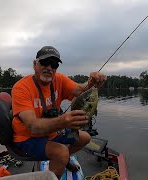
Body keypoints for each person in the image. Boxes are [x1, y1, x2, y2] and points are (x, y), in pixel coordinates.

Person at [11, 46, 106, 179]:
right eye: (44, 62)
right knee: (61, 152)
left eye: (54, 64)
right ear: (34, 64)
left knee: (85, 138)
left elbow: (80, 90)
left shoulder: (59, 80)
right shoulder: (21, 88)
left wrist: (92, 84)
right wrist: (64, 121)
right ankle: (56, 167)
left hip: (52, 131)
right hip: (27, 138)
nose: (49, 67)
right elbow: (33, 126)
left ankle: (63, 161)